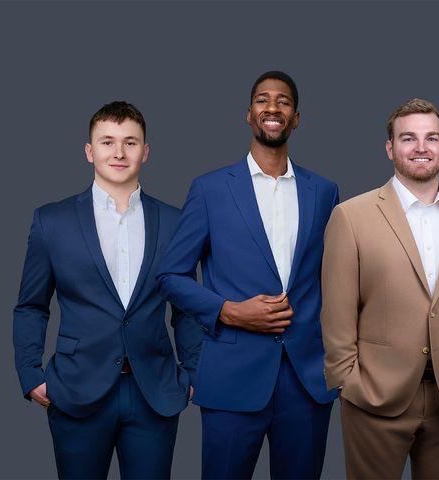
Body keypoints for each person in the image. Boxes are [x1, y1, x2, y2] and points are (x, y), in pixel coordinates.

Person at [156, 70, 342, 479]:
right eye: (262, 99)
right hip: (232, 377)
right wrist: (228, 311)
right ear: (249, 114)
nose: (272, 107)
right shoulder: (210, 189)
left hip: (307, 380)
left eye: (283, 101)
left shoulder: (325, 192)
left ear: (296, 118)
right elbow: (171, 276)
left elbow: (338, 280)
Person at [13, 101, 195, 479]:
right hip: (76, 390)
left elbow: (187, 307)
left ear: (145, 152)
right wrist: (30, 374)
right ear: (89, 151)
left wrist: (194, 372)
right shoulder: (52, 221)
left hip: (154, 393)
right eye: (108, 141)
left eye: (130, 142)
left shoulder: (176, 221)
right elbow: (31, 305)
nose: (118, 152)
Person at [321, 98, 439, 478]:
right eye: (408, 138)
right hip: (375, 396)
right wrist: (348, 381)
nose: (421, 148)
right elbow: (337, 312)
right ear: (390, 148)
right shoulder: (351, 216)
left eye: (432, 138)